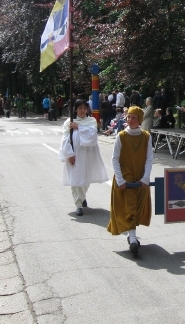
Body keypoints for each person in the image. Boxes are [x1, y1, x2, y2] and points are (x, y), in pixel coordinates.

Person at [107, 106, 153, 255]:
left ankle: (131, 236)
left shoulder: (146, 136)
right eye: (129, 117)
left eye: (134, 117)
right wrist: (120, 179)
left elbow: (149, 158)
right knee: (129, 208)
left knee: (136, 208)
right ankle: (133, 239)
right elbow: (114, 159)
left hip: (140, 179)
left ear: (139, 119)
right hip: (125, 178)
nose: (130, 120)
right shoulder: (121, 136)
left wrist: (145, 177)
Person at [58, 99, 109, 216]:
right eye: (80, 108)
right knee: (76, 179)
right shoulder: (68, 122)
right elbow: (66, 139)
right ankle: (78, 204)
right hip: (74, 155)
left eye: (84, 108)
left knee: (85, 179)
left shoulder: (91, 121)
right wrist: (69, 154)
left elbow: (92, 136)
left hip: (87, 155)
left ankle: (82, 197)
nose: (82, 111)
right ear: (75, 110)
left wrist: (78, 127)